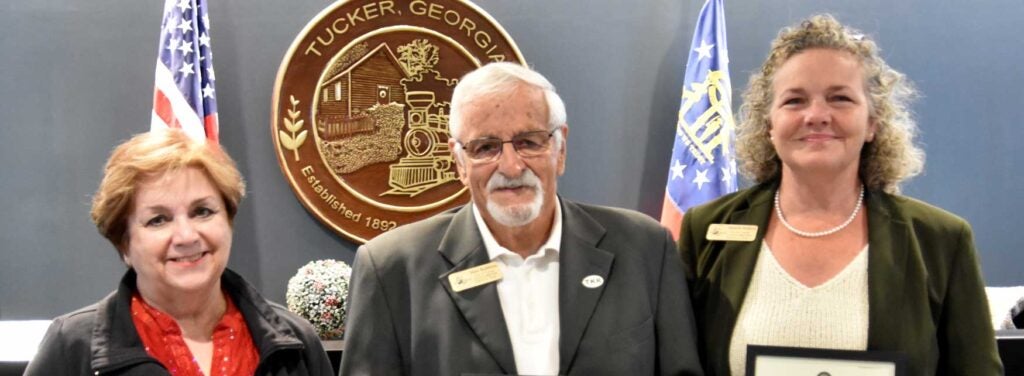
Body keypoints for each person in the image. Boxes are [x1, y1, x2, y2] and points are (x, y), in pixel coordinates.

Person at [678, 14, 1002, 375]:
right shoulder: (708, 229)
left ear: (872, 124)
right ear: (769, 124)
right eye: (795, 101)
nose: (817, 115)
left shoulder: (940, 240)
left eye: (840, 98)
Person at [340, 62, 703, 375]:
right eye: (485, 147)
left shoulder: (644, 249)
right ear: (460, 163)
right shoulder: (391, 269)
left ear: (560, 148)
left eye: (529, 142)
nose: (511, 167)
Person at [25, 129, 334, 375]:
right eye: (158, 220)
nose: (186, 236)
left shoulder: (297, 343)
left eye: (202, 211)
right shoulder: (72, 347)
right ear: (125, 244)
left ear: (229, 221)